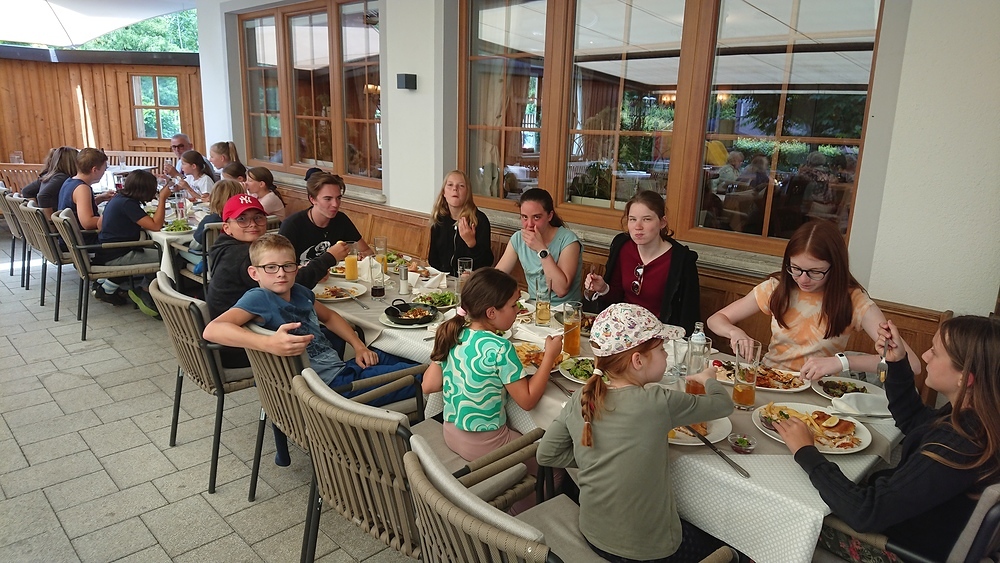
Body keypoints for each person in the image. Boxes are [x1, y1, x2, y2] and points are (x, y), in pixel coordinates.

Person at [774, 316, 1000, 562]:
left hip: (900, 549)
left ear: (965, 378)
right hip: (915, 523)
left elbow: (865, 512)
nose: (925, 356)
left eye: (935, 352)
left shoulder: (958, 444)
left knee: (784, 506)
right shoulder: (977, 419)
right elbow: (916, 421)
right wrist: (897, 363)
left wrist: (806, 451)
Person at [536, 303, 734, 562]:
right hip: (650, 551)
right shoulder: (658, 401)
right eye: (662, 350)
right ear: (637, 361)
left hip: (593, 534)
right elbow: (723, 405)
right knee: (728, 545)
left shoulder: (581, 397)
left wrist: (599, 459)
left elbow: (546, 454)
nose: (666, 355)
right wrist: (709, 378)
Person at [203, 233, 420, 465]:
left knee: (402, 355)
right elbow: (212, 330)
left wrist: (358, 347)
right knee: (425, 374)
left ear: (297, 268)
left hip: (340, 372)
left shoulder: (300, 292)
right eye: (270, 267)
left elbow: (330, 316)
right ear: (254, 273)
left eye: (288, 265)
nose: (281, 273)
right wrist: (268, 343)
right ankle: (418, 452)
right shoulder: (259, 298)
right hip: (332, 390)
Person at [707, 219, 920, 379]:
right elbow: (715, 319)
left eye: (815, 272)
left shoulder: (854, 300)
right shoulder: (776, 288)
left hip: (818, 391)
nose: (803, 279)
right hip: (769, 379)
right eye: (796, 268)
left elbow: (912, 364)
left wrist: (842, 362)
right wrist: (734, 332)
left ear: (835, 267)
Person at [422, 268, 562, 461]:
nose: (517, 310)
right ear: (491, 312)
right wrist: (549, 357)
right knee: (553, 467)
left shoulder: (453, 334)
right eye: (513, 305)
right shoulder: (500, 347)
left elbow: (428, 386)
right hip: (486, 447)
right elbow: (527, 401)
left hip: (451, 434)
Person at [206, 195, 347, 367]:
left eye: (258, 217)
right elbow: (296, 284)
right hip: (242, 349)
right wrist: (327, 259)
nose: (252, 224)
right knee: (327, 335)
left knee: (325, 333)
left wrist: (303, 269)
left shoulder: (224, 249)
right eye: (242, 219)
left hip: (241, 338)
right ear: (227, 228)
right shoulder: (241, 257)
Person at [584, 191, 701, 335]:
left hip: (660, 336)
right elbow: (616, 297)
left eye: (646, 219)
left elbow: (688, 314)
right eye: (632, 219)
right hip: (622, 330)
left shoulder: (682, 260)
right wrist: (603, 288)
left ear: (662, 222)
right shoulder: (622, 246)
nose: (638, 226)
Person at [93, 169, 172, 314]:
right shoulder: (128, 204)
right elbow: (156, 226)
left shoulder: (118, 198)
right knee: (168, 256)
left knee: (155, 249)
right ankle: (145, 289)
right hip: (119, 254)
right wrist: (162, 199)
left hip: (105, 252)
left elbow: (99, 225)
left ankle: (105, 286)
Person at [496, 188, 582, 305]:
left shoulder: (568, 240)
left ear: (550, 216)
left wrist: (541, 249)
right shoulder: (518, 238)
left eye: (536, 217)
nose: (529, 224)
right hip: (533, 307)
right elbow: (497, 277)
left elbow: (561, 290)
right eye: (524, 217)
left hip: (565, 310)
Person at [279, 172, 371, 263]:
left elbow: (368, 251)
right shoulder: (292, 225)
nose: (335, 204)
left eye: (338, 198)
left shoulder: (341, 219)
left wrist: (361, 257)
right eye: (328, 199)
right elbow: (280, 265)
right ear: (312, 199)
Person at [427, 170, 493, 275]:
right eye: (450, 185)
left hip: (470, 281)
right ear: (444, 192)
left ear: (467, 193)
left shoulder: (479, 220)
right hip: (442, 279)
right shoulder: (439, 219)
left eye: (461, 186)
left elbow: (486, 263)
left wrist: (471, 243)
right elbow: (433, 259)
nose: (455, 189)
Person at [175, 179, 247, 274]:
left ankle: (178, 281)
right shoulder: (246, 220)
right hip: (240, 257)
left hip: (212, 258)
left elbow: (195, 246)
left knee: (176, 250)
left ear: (214, 198)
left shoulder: (210, 220)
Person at [56, 148, 111, 232]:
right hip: (86, 238)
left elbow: (79, 209)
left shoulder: (70, 181)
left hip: (74, 236)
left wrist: (101, 198)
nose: (104, 172)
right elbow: (88, 223)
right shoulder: (82, 188)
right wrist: (114, 218)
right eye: (104, 169)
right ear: (94, 170)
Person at [35, 146, 78, 215]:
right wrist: (49, 219)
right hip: (59, 217)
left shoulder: (49, 176)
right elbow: (42, 196)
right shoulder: (61, 178)